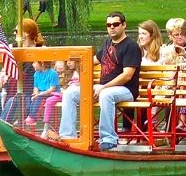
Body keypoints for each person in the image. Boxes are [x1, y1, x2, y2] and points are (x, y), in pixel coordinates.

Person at [58, 11, 141, 151]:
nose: (112, 27)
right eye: (109, 25)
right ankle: (68, 137)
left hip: (126, 90)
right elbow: (91, 61)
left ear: (124, 25)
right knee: (70, 93)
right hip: (103, 87)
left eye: (115, 24)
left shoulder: (131, 46)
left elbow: (127, 76)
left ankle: (108, 139)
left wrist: (102, 87)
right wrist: (68, 63)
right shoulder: (108, 43)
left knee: (106, 95)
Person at [25, 61, 60, 125]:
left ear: (42, 63)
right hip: (41, 93)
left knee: (39, 97)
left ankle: (32, 118)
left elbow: (52, 89)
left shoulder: (53, 73)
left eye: (34, 62)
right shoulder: (36, 74)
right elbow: (36, 87)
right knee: (28, 97)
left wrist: (39, 94)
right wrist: (35, 94)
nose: (33, 64)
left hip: (52, 93)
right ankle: (27, 116)